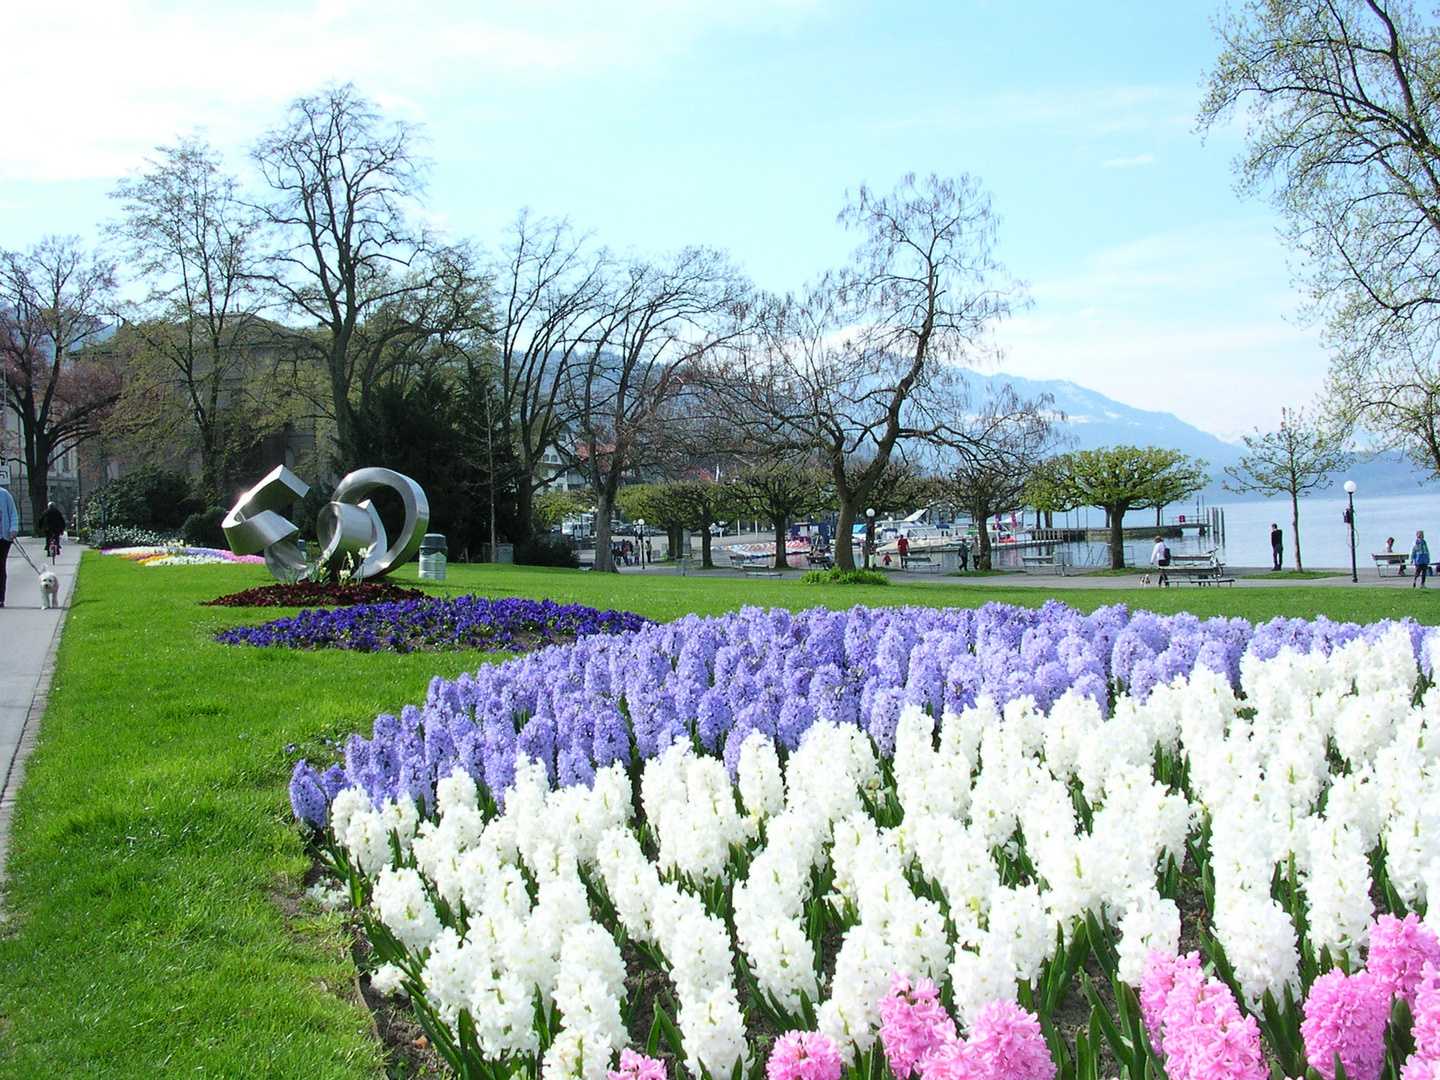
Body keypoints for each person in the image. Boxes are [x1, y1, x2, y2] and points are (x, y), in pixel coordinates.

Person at [0, 485, 16, 607]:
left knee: (1, 566)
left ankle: (1, 598)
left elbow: (13, 513)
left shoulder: (4, 494)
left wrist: (13, 529)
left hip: (3, 538)